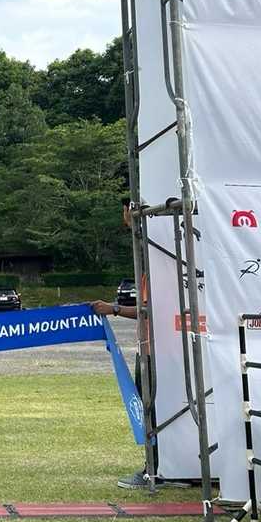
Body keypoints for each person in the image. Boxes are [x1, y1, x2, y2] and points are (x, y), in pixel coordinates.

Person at [91, 196, 157, 490]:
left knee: (151, 410)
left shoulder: (155, 264)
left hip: (154, 351)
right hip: (151, 348)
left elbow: (149, 310)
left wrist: (113, 309)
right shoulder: (154, 262)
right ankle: (157, 465)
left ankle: (154, 468)